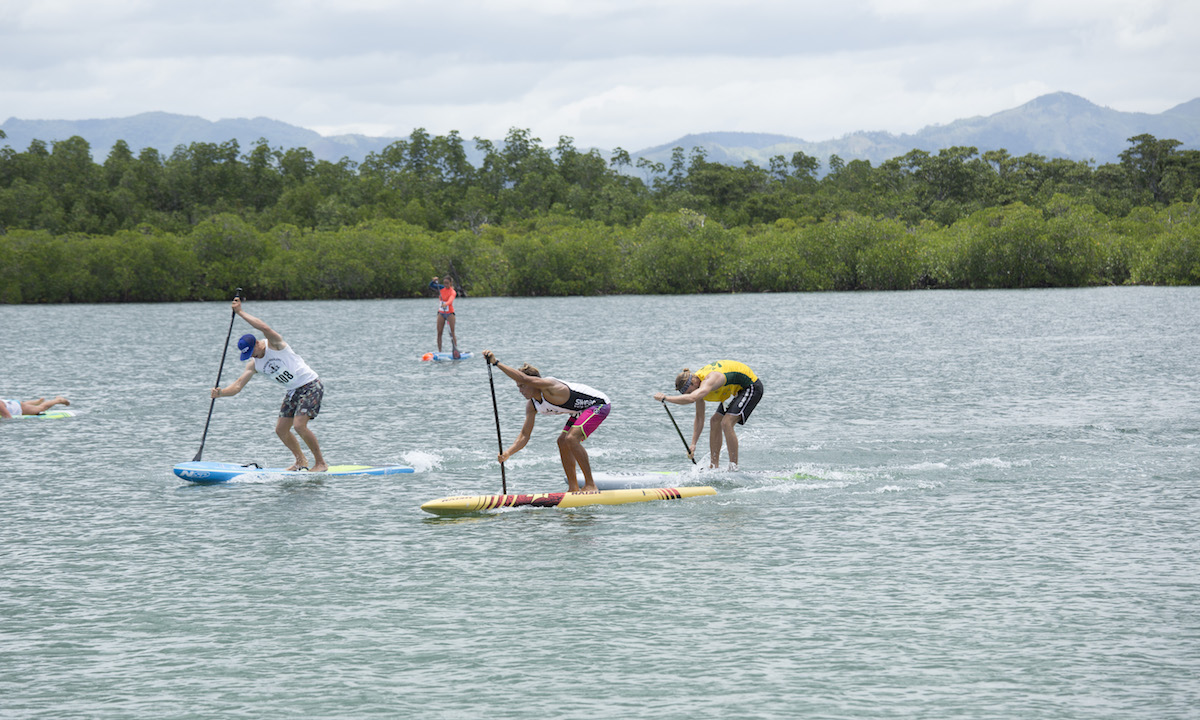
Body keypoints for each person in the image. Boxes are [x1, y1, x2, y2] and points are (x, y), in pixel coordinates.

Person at [210, 297, 328, 472]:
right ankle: (300, 461)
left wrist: (240, 312)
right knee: (281, 430)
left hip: (310, 384)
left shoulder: (275, 344)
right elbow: (237, 386)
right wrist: (220, 393)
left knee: (299, 425)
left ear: (257, 343)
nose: (252, 356)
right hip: (292, 390)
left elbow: (264, 327)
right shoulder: (254, 364)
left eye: (253, 351)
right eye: (248, 354)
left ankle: (320, 463)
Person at [482, 350, 610, 493]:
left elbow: (524, 378)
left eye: (522, 386)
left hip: (598, 405)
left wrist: (496, 363)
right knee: (562, 441)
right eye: (518, 387)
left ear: (534, 383)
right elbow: (524, 435)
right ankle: (573, 488)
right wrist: (508, 453)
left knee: (572, 439)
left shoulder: (550, 386)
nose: (520, 390)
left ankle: (590, 485)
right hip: (578, 410)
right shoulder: (532, 405)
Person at [653, 360, 763, 470]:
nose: (688, 394)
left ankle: (733, 468)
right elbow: (700, 417)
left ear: (693, 383)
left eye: (688, 391)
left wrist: (666, 398)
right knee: (715, 421)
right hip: (732, 389)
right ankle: (714, 467)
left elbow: (692, 398)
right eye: (685, 394)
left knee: (726, 423)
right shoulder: (697, 387)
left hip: (750, 386)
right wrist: (693, 444)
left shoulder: (710, 380)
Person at [429, 275, 459, 358]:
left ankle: (455, 350)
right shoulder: (441, 288)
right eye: (444, 283)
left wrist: (446, 304)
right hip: (441, 313)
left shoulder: (453, 291)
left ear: (451, 283)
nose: (446, 284)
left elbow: (451, 299)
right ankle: (440, 351)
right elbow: (431, 286)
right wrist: (433, 281)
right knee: (439, 333)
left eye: (447, 283)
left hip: (450, 313)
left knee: (452, 333)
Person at [1, 395, 70, 418]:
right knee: (24, 405)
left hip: (18, 407)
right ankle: (36, 402)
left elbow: (8, 417)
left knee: (41, 408)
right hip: (11, 403)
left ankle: (58, 400)